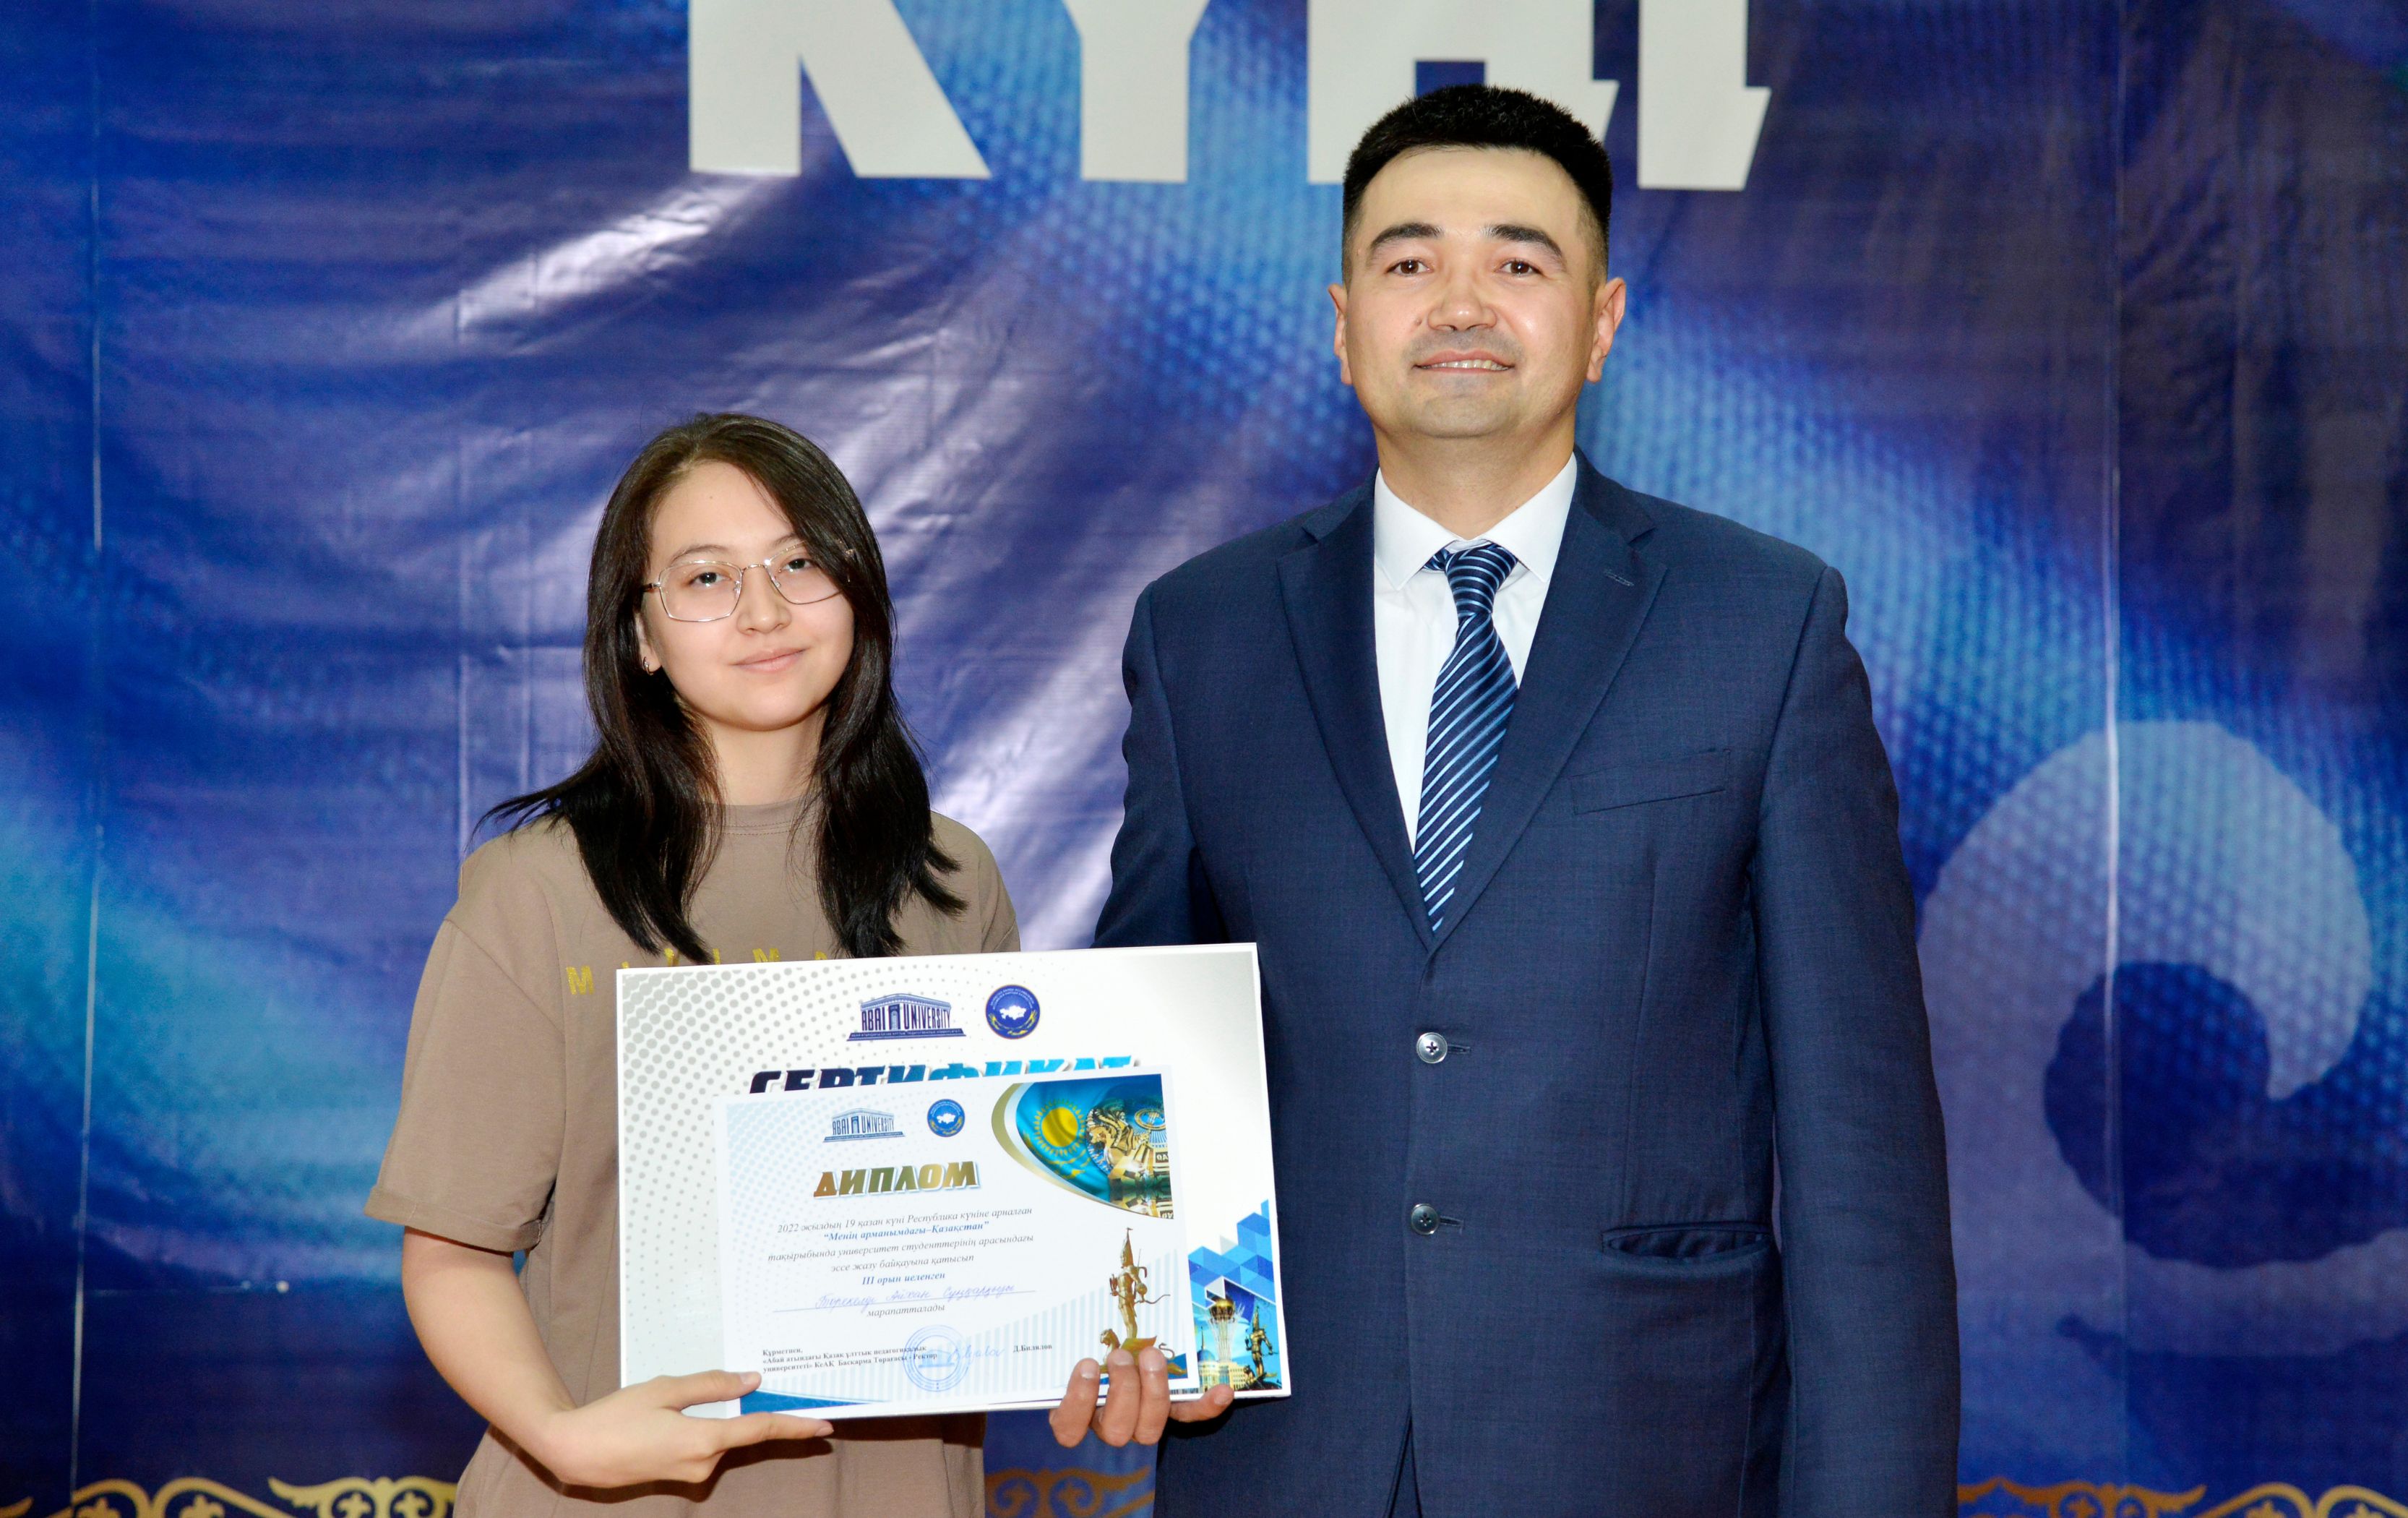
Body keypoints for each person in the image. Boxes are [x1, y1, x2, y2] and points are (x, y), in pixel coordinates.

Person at [1055, 85, 1960, 1516]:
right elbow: (1148, 1037)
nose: (1461, 302)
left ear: (1600, 324)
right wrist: (1121, 1298)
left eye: (1518, 261)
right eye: (1409, 261)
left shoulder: (1762, 623)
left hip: (1640, 1448)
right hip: (1284, 1459)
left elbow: (1861, 1147)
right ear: (1342, 320)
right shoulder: (1202, 632)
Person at [368, 413, 1016, 1514]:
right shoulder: (541, 890)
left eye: (799, 563)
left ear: (858, 592)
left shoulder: (950, 877)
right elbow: (452, 1253)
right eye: (706, 578)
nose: (764, 611)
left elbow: (1002, 1233)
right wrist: (561, 1438)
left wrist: (1119, 1334)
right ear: (640, 635)